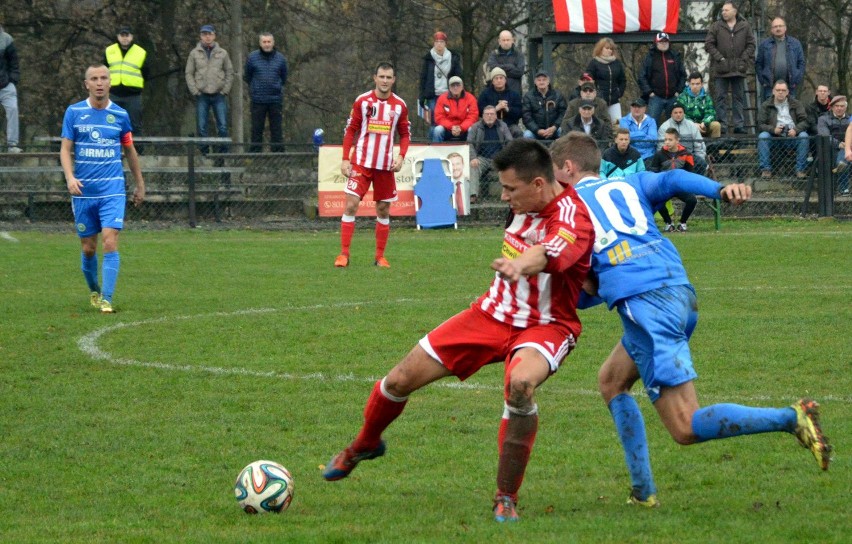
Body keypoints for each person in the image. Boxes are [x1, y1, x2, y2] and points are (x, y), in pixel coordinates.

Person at [550, 132, 832, 508]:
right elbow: (674, 178)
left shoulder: (569, 209)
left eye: (554, 174)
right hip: (679, 292)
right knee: (612, 381)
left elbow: (585, 286)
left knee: (684, 426)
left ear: (567, 168)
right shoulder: (627, 183)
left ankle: (792, 417)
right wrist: (720, 189)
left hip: (648, 306)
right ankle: (643, 492)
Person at [322, 138, 595, 523]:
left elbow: (552, 250)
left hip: (546, 326)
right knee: (399, 379)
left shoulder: (572, 216)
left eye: (510, 188)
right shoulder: (521, 204)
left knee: (520, 385)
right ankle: (365, 444)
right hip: (490, 315)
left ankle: (505, 496)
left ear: (538, 184)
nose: (503, 197)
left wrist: (524, 265)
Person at [59, 65, 145, 314]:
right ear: (86, 84)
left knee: (110, 241)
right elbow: (65, 149)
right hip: (84, 191)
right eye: (94, 79)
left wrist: (140, 184)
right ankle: (95, 291)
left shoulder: (120, 115)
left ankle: (107, 298)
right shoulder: (74, 112)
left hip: (112, 189)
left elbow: (129, 150)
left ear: (110, 83)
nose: (99, 82)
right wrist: (70, 178)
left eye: (103, 78)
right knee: (89, 247)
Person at [335, 62, 410, 269]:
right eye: (382, 77)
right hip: (361, 162)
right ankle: (344, 254)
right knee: (351, 204)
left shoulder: (400, 106)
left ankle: (379, 257)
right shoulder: (363, 101)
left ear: (393, 80)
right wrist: (345, 158)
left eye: (389, 77)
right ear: (374, 78)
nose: (385, 81)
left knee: (383, 209)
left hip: (385, 165)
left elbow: (405, 134)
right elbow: (351, 130)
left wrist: (401, 156)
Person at [705, 1, 756, 135]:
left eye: (726, 10)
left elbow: (751, 44)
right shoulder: (716, 26)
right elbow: (709, 44)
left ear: (734, 11)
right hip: (721, 69)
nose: (723, 12)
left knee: (738, 98)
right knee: (720, 98)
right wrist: (720, 58)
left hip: (738, 68)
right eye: (722, 10)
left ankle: (739, 125)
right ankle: (723, 125)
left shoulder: (745, 26)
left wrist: (743, 58)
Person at [185, 24, 234, 153]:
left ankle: (223, 152)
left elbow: (229, 72)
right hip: (202, 95)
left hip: (219, 95)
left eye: (209, 34)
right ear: (201, 36)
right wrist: (194, 90)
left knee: (222, 126)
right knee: (201, 126)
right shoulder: (194, 53)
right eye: (204, 34)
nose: (207, 37)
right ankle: (204, 152)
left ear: (214, 35)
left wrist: (225, 90)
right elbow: (189, 73)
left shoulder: (223, 53)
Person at [244, 32, 288, 152]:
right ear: (260, 43)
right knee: (257, 128)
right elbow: (247, 76)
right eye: (264, 42)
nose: (267, 44)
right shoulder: (252, 58)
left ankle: (278, 155)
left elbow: (284, 77)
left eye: (269, 42)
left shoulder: (280, 59)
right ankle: (255, 155)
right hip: (258, 99)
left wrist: (277, 87)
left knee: (276, 129)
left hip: (275, 99)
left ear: (273, 43)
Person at [647, 128, 698, 232]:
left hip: (680, 186)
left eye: (670, 140)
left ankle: (682, 223)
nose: (667, 142)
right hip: (665, 187)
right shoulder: (659, 154)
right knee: (657, 201)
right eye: (665, 139)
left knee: (692, 200)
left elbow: (690, 173)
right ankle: (668, 223)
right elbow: (654, 173)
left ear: (677, 140)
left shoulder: (687, 154)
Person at [757, 80, 810, 179]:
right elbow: (760, 124)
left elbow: (805, 121)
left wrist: (796, 130)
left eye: (783, 90)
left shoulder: (796, 104)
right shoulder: (766, 105)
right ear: (773, 91)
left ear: (787, 92)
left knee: (804, 136)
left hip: (793, 137)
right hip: (774, 137)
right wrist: (773, 129)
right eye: (778, 90)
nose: (780, 92)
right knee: (763, 136)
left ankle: (800, 170)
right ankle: (766, 170)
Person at [104, 26, 148, 136]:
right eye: (122, 35)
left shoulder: (140, 52)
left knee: (135, 125)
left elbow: (146, 72)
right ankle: (112, 151)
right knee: (111, 124)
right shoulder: (109, 51)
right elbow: (103, 71)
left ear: (132, 37)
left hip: (133, 95)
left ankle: (138, 152)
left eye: (127, 35)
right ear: (118, 37)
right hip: (114, 94)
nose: (125, 38)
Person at [467, 105, 513, 201]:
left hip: (499, 158)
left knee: (510, 167)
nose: (489, 116)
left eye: (492, 114)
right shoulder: (476, 127)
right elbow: (469, 143)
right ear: (482, 116)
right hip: (481, 158)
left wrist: (506, 158)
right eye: (487, 114)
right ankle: (473, 195)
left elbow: (510, 141)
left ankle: (509, 195)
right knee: (473, 166)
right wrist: (473, 157)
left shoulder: (502, 125)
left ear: (496, 116)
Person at [638, 32, 686, 125]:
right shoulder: (650, 57)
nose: (664, 44)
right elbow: (642, 76)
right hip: (656, 98)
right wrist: (649, 92)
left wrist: (678, 91)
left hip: (673, 97)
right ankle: (652, 140)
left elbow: (683, 75)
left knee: (675, 124)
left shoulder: (675, 56)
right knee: (651, 124)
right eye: (661, 42)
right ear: (656, 43)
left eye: (666, 42)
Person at [419, 31, 462, 129]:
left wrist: (458, 92)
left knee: (449, 119)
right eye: (437, 41)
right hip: (432, 95)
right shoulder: (428, 59)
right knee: (434, 120)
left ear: (445, 43)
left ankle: (447, 141)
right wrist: (422, 95)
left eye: (441, 41)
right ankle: (433, 142)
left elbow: (458, 76)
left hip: (449, 94)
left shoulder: (453, 58)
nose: (439, 44)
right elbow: (423, 79)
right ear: (434, 43)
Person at [756, 18, 805, 100]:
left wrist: (797, 79)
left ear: (785, 28)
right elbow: (758, 64)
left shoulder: (795, 43)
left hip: (790, 87)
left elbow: (801, 63)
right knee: (771, 111)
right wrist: (763, 81)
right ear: (771, 30)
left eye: (780, 26)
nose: (778, 28)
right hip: (769, 87)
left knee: (789, 111)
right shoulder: (764, 45)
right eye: (775, 27)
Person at [658, 103, 708, 175]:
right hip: (670, 156)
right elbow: (661, 146)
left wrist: (701, 157)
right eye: (675, 112)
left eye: (680, 112)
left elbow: (699, 145)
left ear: (684, 113)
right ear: (671, 114)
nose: (678, 114)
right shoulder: (664, 126)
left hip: (689, 155)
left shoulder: (691, 125)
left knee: (702, 163)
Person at [585, 37, 626, 124]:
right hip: (599, 100)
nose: (609, 51)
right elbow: (588, 80)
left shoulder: (617, 63)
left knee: (617, 124)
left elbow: (622, 80)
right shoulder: (594, 62)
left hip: (614, 100)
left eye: (611, 49)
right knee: (599, 124)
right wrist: (596, 94)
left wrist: (619, 93)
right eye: (607, 48)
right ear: (600, 49)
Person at [816, 95, 850, 194]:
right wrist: (839, 144)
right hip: (830, 149)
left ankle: (843, 188)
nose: (839, 108)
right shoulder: (823, 119)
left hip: (848, 148)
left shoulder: (850, 119)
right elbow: (825, 136)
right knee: (843, 157)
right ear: (832, 107)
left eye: (842, 106)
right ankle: (844, 188)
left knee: (843, 156)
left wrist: (847, 145)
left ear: (846, 107)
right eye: (836, 106)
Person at [477, 67, 523, 138]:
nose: (499, 80)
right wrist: (495, 108)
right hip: (490, 125)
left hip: (509, 125)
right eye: (496, 78)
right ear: (492, 81)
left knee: (518, 132)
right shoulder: (485, 94)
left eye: (501, 78)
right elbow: (480, 111)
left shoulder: (514, 94)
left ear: (505, 80)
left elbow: (519, 112)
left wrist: (508, 109)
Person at [522, 70, 566, 141]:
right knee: (527, 135)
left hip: (555, 129)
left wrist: (554, 127)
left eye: (544, 80)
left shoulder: (558, 95)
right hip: (535, 131)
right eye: (539, 80)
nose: (541, 82)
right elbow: (526, 117)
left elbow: (563, 114)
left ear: (548, 81)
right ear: (535, 82)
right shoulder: (528, 96)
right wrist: (537, 130)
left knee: (564, 132)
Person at [433, 76, 478, 142]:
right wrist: (451, 127)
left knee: (472, 129)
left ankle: (471, 151)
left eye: (458, 85)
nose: (455, 87)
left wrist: (461, 128)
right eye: (453, 85)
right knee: (437, 130)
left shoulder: (471, 98)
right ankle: (436, 152)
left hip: (464, 129)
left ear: (462, 87)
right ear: (449, 88)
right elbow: (439, 117)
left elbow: (473, 117)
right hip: (447, 129)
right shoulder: (442, 98)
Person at [677, 72, 722, 139]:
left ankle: (714, 147)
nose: (695, 86)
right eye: (693, 84)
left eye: (697, 84)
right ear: (689, 84)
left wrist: (704, 123)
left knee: (716, 125)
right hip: (687, 126)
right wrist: (693, 124)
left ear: (701, 84)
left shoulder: (707, 97)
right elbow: (680, 114)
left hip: (703, 126)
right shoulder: (682, 97)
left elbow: (711, 113)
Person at [0, 23, 21, 153]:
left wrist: (12, 80)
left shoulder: (6, 39)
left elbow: (14, 62)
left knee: (13, 109)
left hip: (5, 85)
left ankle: (12, 145)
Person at [486, 30, 525, 96]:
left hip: (514, 93)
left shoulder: (519, 54)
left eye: (508, 40)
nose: (506, 42)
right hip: (496, 93)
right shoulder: (494, 54)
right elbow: (493, 68)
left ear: (512, 40)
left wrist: (500, 71)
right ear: (499, 41)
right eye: (503, 40)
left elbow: (520, 72)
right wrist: (510, 66)